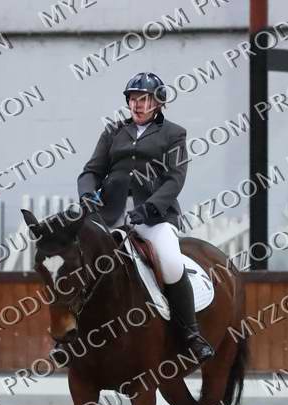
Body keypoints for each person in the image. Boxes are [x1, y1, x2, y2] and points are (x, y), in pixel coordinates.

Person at [77, 72, 214, 363]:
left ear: (158, 102)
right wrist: (87, 194)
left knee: (171, 262)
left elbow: (175, 179)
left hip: (153, 217)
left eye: (143, 99)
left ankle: (190, 334)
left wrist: (149, 208)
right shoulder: (114, 132)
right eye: (132, 99)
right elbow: (92, 171)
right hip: (109, 215)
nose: (137, 105)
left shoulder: (174, 134)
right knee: (78, 260)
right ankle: (70, 335)